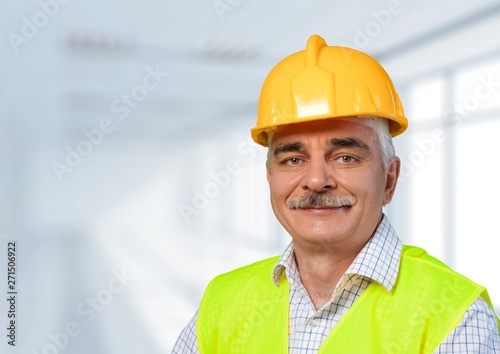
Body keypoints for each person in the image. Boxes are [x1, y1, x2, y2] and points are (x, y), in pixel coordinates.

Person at [173, 34, 500, 353]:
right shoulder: (221, 302)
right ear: (270, 177)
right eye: (293, 159)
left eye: (346, 157)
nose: (316, 180)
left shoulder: (456, 319)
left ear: (389, 179)